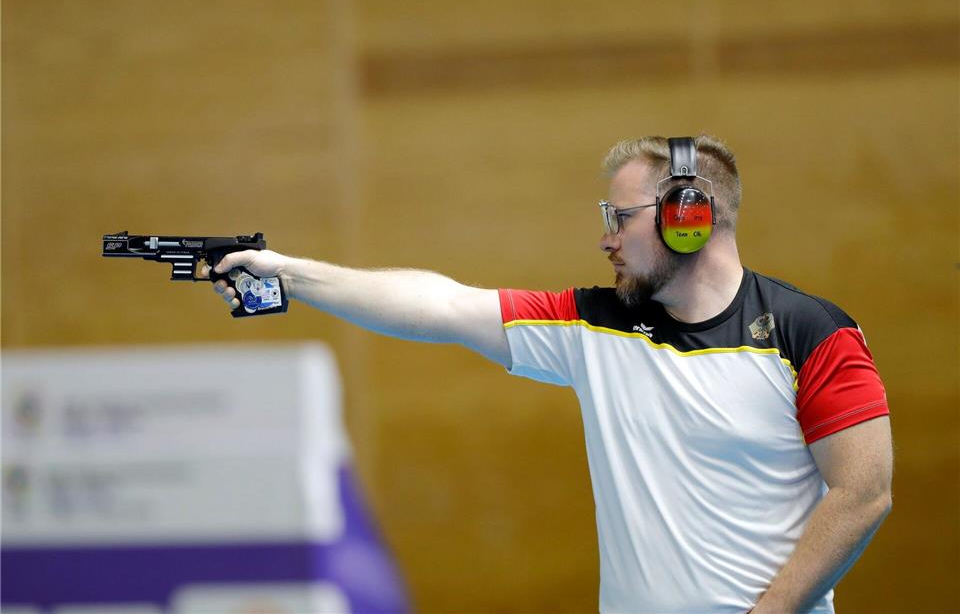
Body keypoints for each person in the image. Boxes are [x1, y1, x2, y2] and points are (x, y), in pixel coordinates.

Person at [201, 134, 892, 614]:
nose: (605, 239)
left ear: (689, 218)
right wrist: (292, 275)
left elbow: (862, 491)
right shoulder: (593, 324)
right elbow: (440, 304)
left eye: (620, 218)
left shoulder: (811, 333)